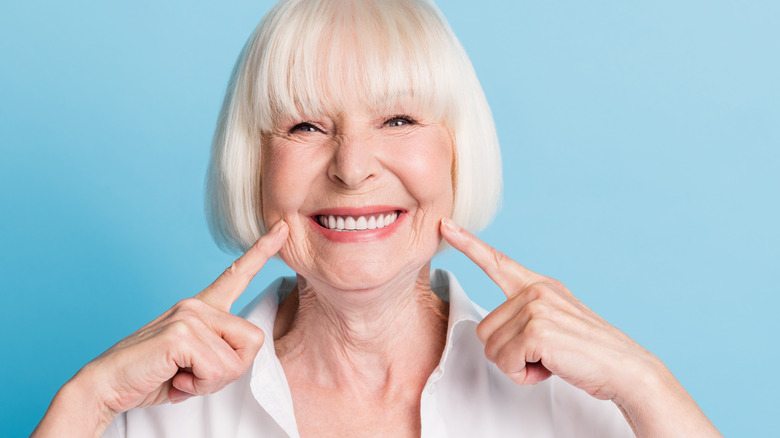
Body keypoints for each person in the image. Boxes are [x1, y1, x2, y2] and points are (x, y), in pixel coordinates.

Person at [33, 0, 722, 436]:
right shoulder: (149, 420)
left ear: (457, 153)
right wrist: (85, 404)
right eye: (305, 125)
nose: (353, 166)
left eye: (398, 118)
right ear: (255, 166)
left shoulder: (584, 407)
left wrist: (647, 386)